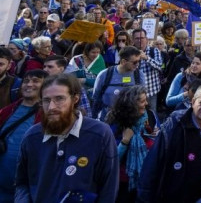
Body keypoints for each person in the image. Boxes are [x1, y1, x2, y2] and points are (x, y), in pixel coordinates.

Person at [15, 73, 119, 201]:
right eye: (46, 100)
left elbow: (109, 188)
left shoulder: (100, 134)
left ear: (75, 99)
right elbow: (22, 182)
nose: (52, 107)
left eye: (59, 99)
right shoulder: (32, 136)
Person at [138, 84, 201, 203]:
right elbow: (153, 164)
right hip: (173, 196)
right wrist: (145, 197)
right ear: (193, 102)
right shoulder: (172, 126)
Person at [0, 69, 47, 203]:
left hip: (26, 188)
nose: (29, 84)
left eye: (36, 81)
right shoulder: (7, 110)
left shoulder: (48, 116)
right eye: (26, 81)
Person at [106, 85, 159, 202]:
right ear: (131, 104)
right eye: (142, 101)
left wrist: (154, 136)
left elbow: (156, 142)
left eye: (146, 100)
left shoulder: (149, 115)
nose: (146, 104)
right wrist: (125, 142)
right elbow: (111, 159)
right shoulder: (115, 122)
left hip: (146, 177)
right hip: (123, 181)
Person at [91, 45, 142, 120]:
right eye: (134, 62)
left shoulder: (139, 75)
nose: (137, 65)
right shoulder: (104, 75)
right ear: (123, 61)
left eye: (139, 61)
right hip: (107, 119)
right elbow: (95, 98)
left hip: (130, 119)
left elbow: (142, 98)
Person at [130, 28, 164, 114]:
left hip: (151, 91)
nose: (139, 40)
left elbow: (159, 66)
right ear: (133, 40)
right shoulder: (130, 52)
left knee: (151, 114)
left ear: (146, 39)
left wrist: (146, 58)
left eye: (142, 38)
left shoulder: (154, 51)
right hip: (134, 92)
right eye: (137, 38)